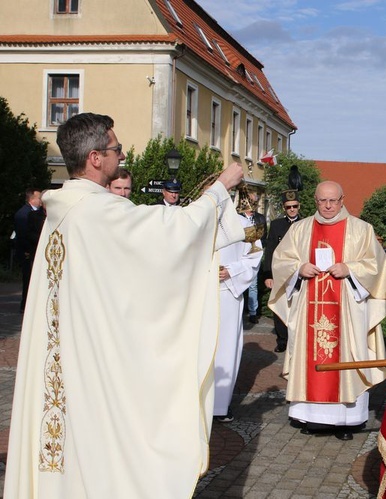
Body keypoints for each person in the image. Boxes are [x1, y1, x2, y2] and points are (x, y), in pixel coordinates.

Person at [3, 112, 247, 498]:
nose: (121, 156)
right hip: (91, 361)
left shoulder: (65, 209)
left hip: (70, 354)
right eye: (116, 149)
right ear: (96, 158)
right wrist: (219, 188)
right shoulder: (95, 211)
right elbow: (171, 236)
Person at [268, 181, 386, 441]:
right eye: (322, 201)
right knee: (309, 354)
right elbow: (280, 260)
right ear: (315, 200)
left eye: (333, 200)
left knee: (348, 355)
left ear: (342, 199)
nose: (328, 206)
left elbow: (377, 266)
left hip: (347, 309)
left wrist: (350, 269)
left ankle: (347, 419)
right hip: (308, 308)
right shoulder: (301, 229)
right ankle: (310, 416)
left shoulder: (361, 229)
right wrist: (298, 269)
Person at [214, 202, 263, 423]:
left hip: (227, 294)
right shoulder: (192, 221)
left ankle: (219, 405)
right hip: (197, 294)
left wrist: (231, 271)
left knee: (225, 348)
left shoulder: (243, 225)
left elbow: (254, 257)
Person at [262, 189, 302, 352]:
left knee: (299, 307)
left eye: (294, 206)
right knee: (280, 306)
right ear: (283, 208)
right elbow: (270, 250)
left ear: (299, 206)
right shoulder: (277, 225)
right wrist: (268, 274)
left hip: (300, 273)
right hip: (280, 273)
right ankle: (283, 340)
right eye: (288, 207)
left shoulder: (306, 223)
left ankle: (298, 337)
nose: (292, 209)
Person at [239, 190, 267, 328]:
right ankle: (240, 310)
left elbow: (264, 237)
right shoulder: (237, 217)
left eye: (255, 202)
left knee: (253, 284)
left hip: (254, 255)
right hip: (240, 255)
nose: (252, 204)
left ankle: (252, 312)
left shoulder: (260, 218)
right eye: (250, 201)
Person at [13, 188, 42, 312]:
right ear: (32, 199)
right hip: (27, 252)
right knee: (28, 279)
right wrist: (27, 251)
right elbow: (23, 234)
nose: (41, 200)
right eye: (39, 198)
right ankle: (25, 305)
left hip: (31, 251)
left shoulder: (35, 212)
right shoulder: (23, 214)